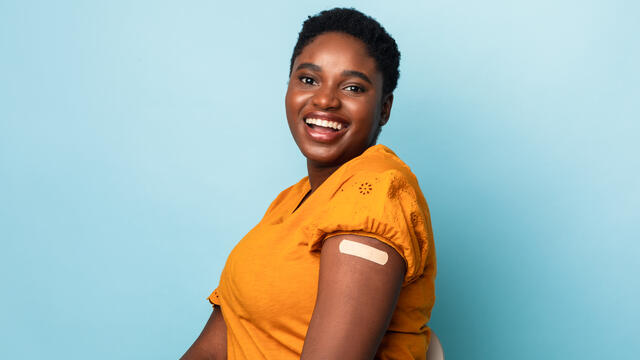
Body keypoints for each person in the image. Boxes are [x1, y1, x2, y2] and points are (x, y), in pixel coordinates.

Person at [181, 7, 436, 360]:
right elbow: (216, 345)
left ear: (384, 109)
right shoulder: (291, 202)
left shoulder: (372, 194)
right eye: (309, 80)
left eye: (352, 87)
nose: (325, 100)